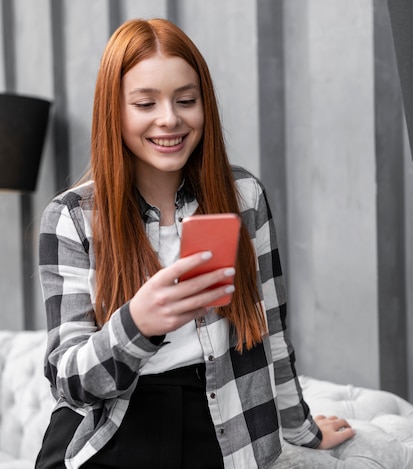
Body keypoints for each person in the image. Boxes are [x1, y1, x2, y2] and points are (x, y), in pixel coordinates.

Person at [36, 18, 354, 469]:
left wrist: (302, 428)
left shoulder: (245, 198)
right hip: (110, 423)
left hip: (218, 415)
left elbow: (272, 334)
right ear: (114, 110)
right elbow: (67, 381)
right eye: (145, 103)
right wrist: (138, 323)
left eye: (186, 100)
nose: (170, 118)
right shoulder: (72, 216)